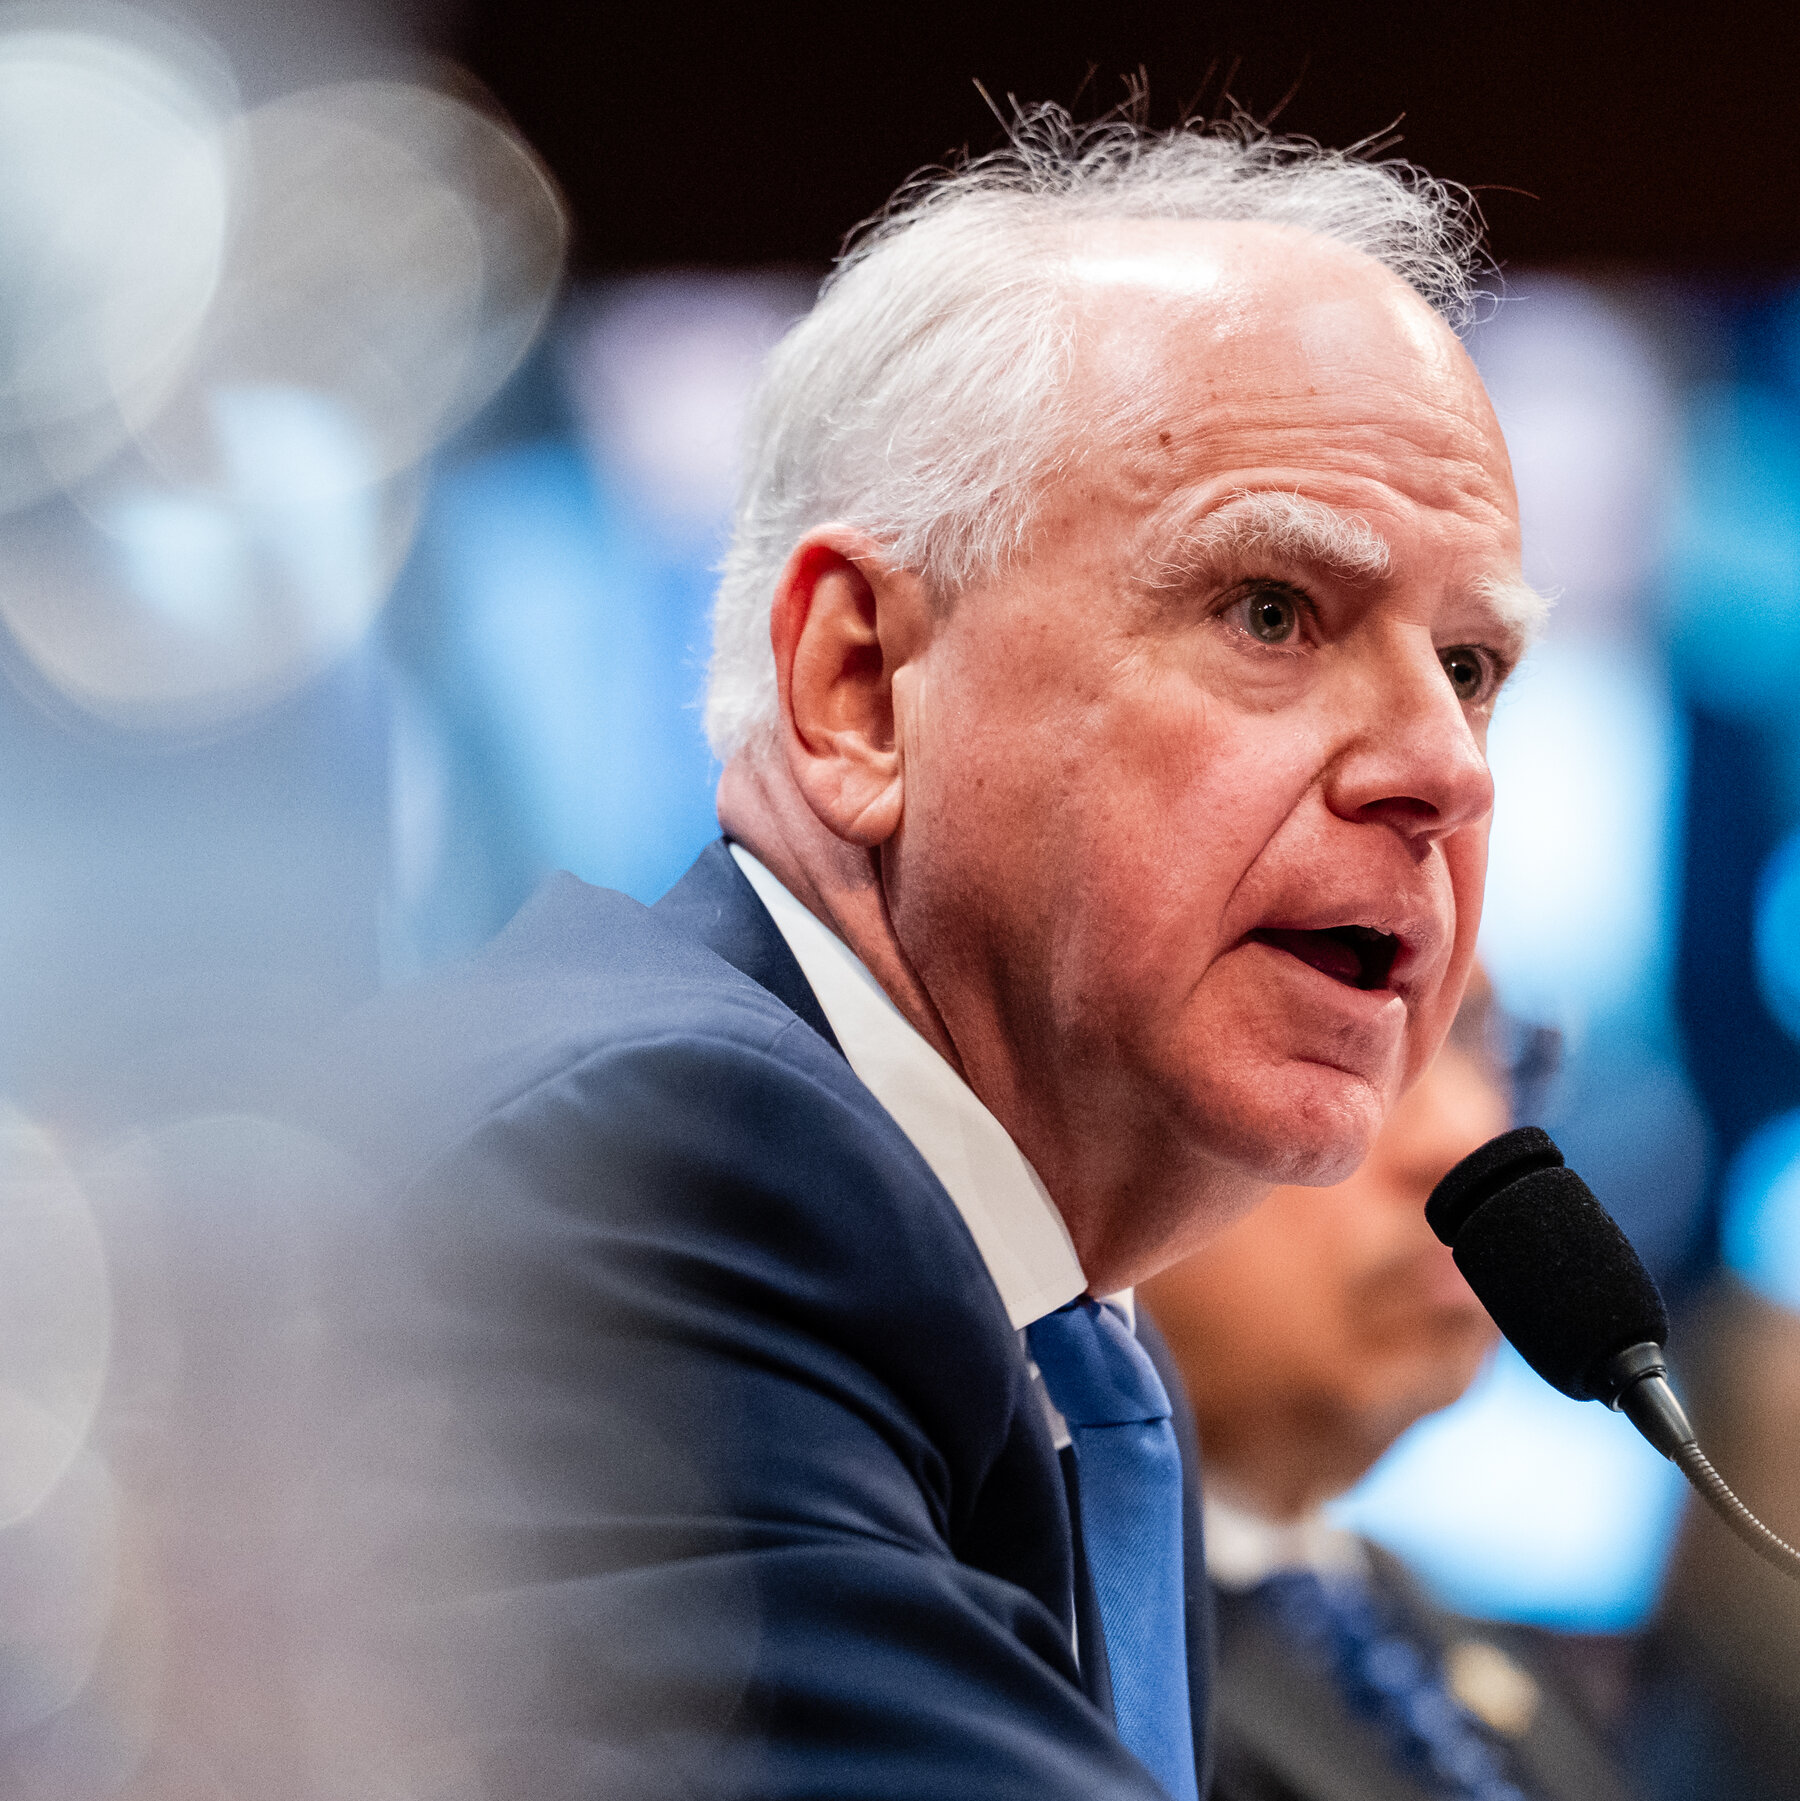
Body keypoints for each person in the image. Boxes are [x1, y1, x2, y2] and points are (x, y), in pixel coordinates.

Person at [286, 106, 1544, 1801]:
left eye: (1469, 667)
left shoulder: (1085, 1360)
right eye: (1271, 610)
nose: (1446, 768)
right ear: (860, 687)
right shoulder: (667, 1174)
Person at [1142, 983, 1638, 1801]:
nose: (1470, 1135)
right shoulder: (1024, 1655)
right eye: (1341, 1030)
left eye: (1481, 1041)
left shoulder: (1482, 1659)